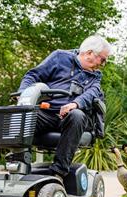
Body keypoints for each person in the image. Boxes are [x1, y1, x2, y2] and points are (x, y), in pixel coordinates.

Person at [18, 35, 111, 178]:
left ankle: (58, 173)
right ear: (89, 53)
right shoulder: (59, 57)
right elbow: (32, 76)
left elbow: (92, 93)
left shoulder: (95, 77)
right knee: (24, 115)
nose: (103, 64)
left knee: (77, 115)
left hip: (70, 119)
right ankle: (19, 168)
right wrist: (22, 95)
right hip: (46, 113)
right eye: (103, 59)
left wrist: (75, 104)